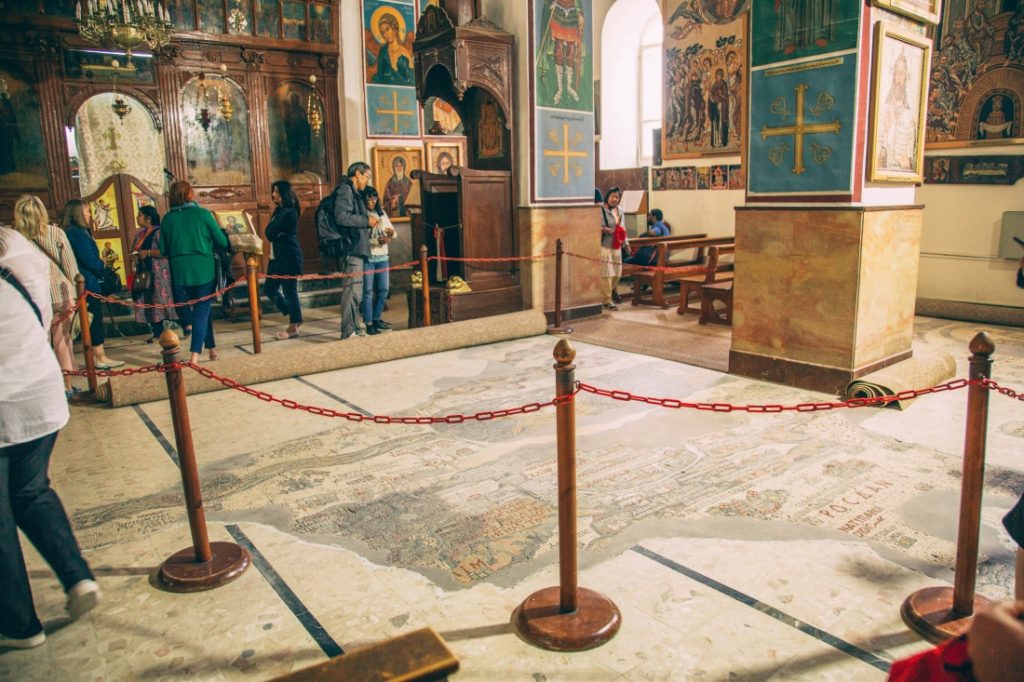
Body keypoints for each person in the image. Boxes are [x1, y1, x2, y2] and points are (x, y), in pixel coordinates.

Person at [0, 224, 101, 650]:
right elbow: (45, 312)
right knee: (32, 490)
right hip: (39, 386)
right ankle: (77, 578)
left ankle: (20, 624)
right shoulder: (18, 249)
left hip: (5, 392)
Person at [12, 195, 81, 400]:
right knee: (61, 340)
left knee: (44, 342)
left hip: (33, 294)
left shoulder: (14, 238)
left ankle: (52, 385)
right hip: (60, 292)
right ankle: (66, 387)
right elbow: (70, 268)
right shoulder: (55, 233)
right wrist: (76, 296)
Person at [160, 180, 229, 365]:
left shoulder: (167, 219)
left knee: (202, 311)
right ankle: (195, 355)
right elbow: (222, 242)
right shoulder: (202, 214)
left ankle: (212, 349)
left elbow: (163, 249)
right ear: (189, 194)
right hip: (203, 269)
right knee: (202, 310)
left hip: (181, 271)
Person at [62, 199, 124, 370]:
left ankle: (100, 355)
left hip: (89, 282)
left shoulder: (79, 232)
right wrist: (102, 265)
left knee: (94, 320)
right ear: (77, 213)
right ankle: (99, 357)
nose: (90, 214)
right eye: (87, 211)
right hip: (87, 283)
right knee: (93, 321)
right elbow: (88, 259)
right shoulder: (76, 233)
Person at [333, 162, 377, 339]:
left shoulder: (353, 191)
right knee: (352, 290)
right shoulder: (346, 190)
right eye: (367, 176)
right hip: (351, 248)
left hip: (357, 247)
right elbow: (341, 217)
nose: (367, 181)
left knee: (356, 290)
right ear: (358, 174)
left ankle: (355, 328)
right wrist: (366, 221)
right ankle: (348, 331)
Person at [262, 180, 304, 340]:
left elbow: (270, 234)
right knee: (269, 289)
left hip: (289, 257)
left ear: (285, 193)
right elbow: (270, 232)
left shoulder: (289, 211)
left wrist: (275, 232)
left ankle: (294, 325)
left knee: (289, 292)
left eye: (277, 192)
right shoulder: (279, 210)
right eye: (273, 192)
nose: (273, 195)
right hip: (276, 257)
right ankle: (293, 313)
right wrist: (275, 232)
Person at [129, 206, 177, 344]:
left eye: (140, 215)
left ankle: (185, 326)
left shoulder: (160, 232)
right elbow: (135, 251)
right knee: (149, 301)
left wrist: (148, 253)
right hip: (144, 273)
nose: (137, 218)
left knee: (160, 300)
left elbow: (166, 251)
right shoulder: (140, 235)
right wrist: (134, 262)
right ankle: (156, 333)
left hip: (159, 273)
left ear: (148, 218)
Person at [361, 185, 397, 336]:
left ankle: (376, 318)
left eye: (375, 198)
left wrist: (389, 235)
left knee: (383, 290)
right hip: (369, 258)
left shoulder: (382, 214)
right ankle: (368, 323)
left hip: (383, 257)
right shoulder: (362, 216)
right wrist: (377, 241)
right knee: (368, 291)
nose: (372, 201)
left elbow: (394, 233)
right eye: (369, 198)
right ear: (364, 200)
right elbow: (362, 239)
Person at [599, 186, 628, 311]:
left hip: (616, 245)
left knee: (617, 273)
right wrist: (604, 229)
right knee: (607, 273)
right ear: (607, 197)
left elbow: (623, 228)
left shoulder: (620, 211)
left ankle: (609, 293)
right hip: (604, 244)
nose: (615, 199)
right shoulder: (599, 209)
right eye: (612, 196)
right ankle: (607, 300)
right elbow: (591, 225)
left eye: (617, 197)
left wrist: (626, 244)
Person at [372, 11, 414, 86]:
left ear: (394, 28)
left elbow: (411, 81)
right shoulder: (383, 52)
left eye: (387, 29)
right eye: (383, 32)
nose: (386, 35)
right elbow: (379, 76)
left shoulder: (404, 53)